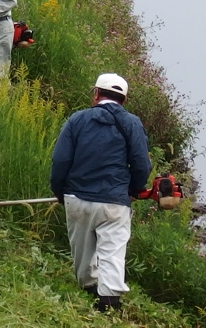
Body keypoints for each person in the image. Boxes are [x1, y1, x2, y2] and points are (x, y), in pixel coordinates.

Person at [49, 73, 152, 313]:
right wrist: (135, 190)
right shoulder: (132, 123)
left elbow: (60, 160)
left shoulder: (77, 120)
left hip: (77, 197)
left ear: (96, 94)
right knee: (113, 251)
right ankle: (109, 303)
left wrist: (59, 192)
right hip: (114, 201)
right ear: (123, 100)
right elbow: (140, 164)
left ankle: (88, 288)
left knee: (83, 251)